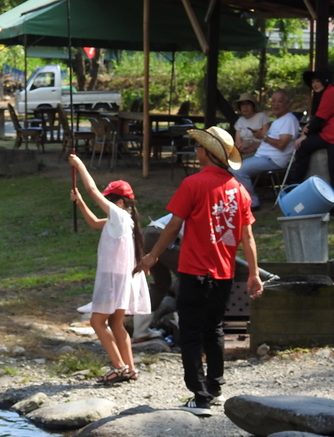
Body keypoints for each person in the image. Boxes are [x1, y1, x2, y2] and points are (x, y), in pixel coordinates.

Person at [135, 126, 263, 417]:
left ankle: (200, 397)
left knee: (191, 334)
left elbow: (172, 225)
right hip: (224, 275)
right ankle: (215, 388)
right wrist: (253, 273)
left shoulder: (193, 184)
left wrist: (153, 256)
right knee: (215, 330)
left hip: (194, 272)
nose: (196, 150)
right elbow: (248, 237)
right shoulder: (239, 190)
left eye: (199, 147)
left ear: (208, 153)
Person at [69, 155, 151, 385]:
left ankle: (119, 367)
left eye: (110, 200)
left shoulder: (118, 215)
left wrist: (79, 164)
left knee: (97, 322)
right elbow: (95, 222)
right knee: (116, 323)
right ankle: (131, 369)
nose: (107, 204)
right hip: (122, 280)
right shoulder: (126, 219)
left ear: (121, 202)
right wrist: (80, 202)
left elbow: (92, 188)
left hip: (113, 280)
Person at [231, 90, 299, 210]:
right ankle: (239, 199)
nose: (275, 104)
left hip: (273, 160)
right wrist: (254, 143)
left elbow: (282, 144)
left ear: (288, 104)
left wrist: (263, 136)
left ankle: (252, 202)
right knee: (231, 164)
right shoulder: (278, 120)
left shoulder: (289, 120)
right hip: (262, 156)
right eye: (273, 101)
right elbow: (267, 141)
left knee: (236, 169)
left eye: (280, 101)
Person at [132, 213, 181, 343]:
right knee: (188, 274)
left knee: (161, 283)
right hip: (158, 235)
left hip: (149, 234)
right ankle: (186, 325)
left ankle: (140, 331)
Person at [289, 68, 334, 184]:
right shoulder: (324, 93)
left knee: (302, 146)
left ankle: (295, 184)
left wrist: (305, 135)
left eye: (318, 81)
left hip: (330, 137)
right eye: (313, 82)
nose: (315, 84)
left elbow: (319, 118)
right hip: (328, 135)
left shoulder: (330, 92)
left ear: (325, 80)